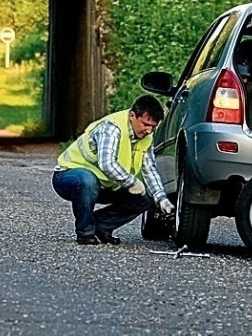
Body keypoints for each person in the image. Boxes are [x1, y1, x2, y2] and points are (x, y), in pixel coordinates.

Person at [52, 95, 175, 245]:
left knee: (145, 199)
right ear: (132, 116)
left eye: (153, 127)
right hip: (69, 176)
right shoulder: (111, 128)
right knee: (87, 181)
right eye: (145, 124)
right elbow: (107, 164)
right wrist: (132, 182)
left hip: (105, 184)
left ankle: (101, 225)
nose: (149, 130)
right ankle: (85, 232)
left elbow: (150, 170)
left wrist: (162, 199)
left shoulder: (146, 137)